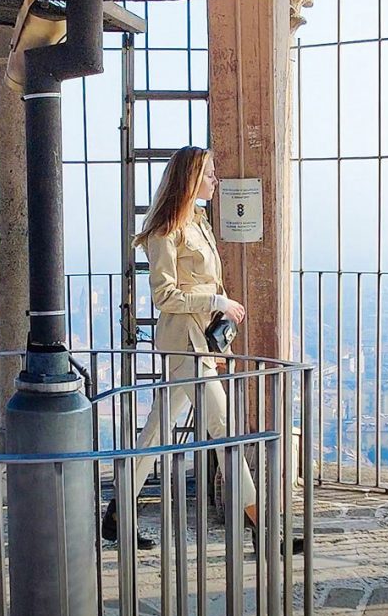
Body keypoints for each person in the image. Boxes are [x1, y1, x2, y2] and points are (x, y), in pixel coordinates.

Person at [102, 145, 303, 555]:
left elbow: (211, 282)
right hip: (184, 345)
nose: (215, 180)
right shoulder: (164, 230)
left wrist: (220, 330)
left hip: (200, 345)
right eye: (209, 173)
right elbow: (165, 295)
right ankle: (265, 531)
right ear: (191, 179)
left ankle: (116, 515)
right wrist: (217, 304)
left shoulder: (200, 222)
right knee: (224, 431)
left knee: (156, 432)